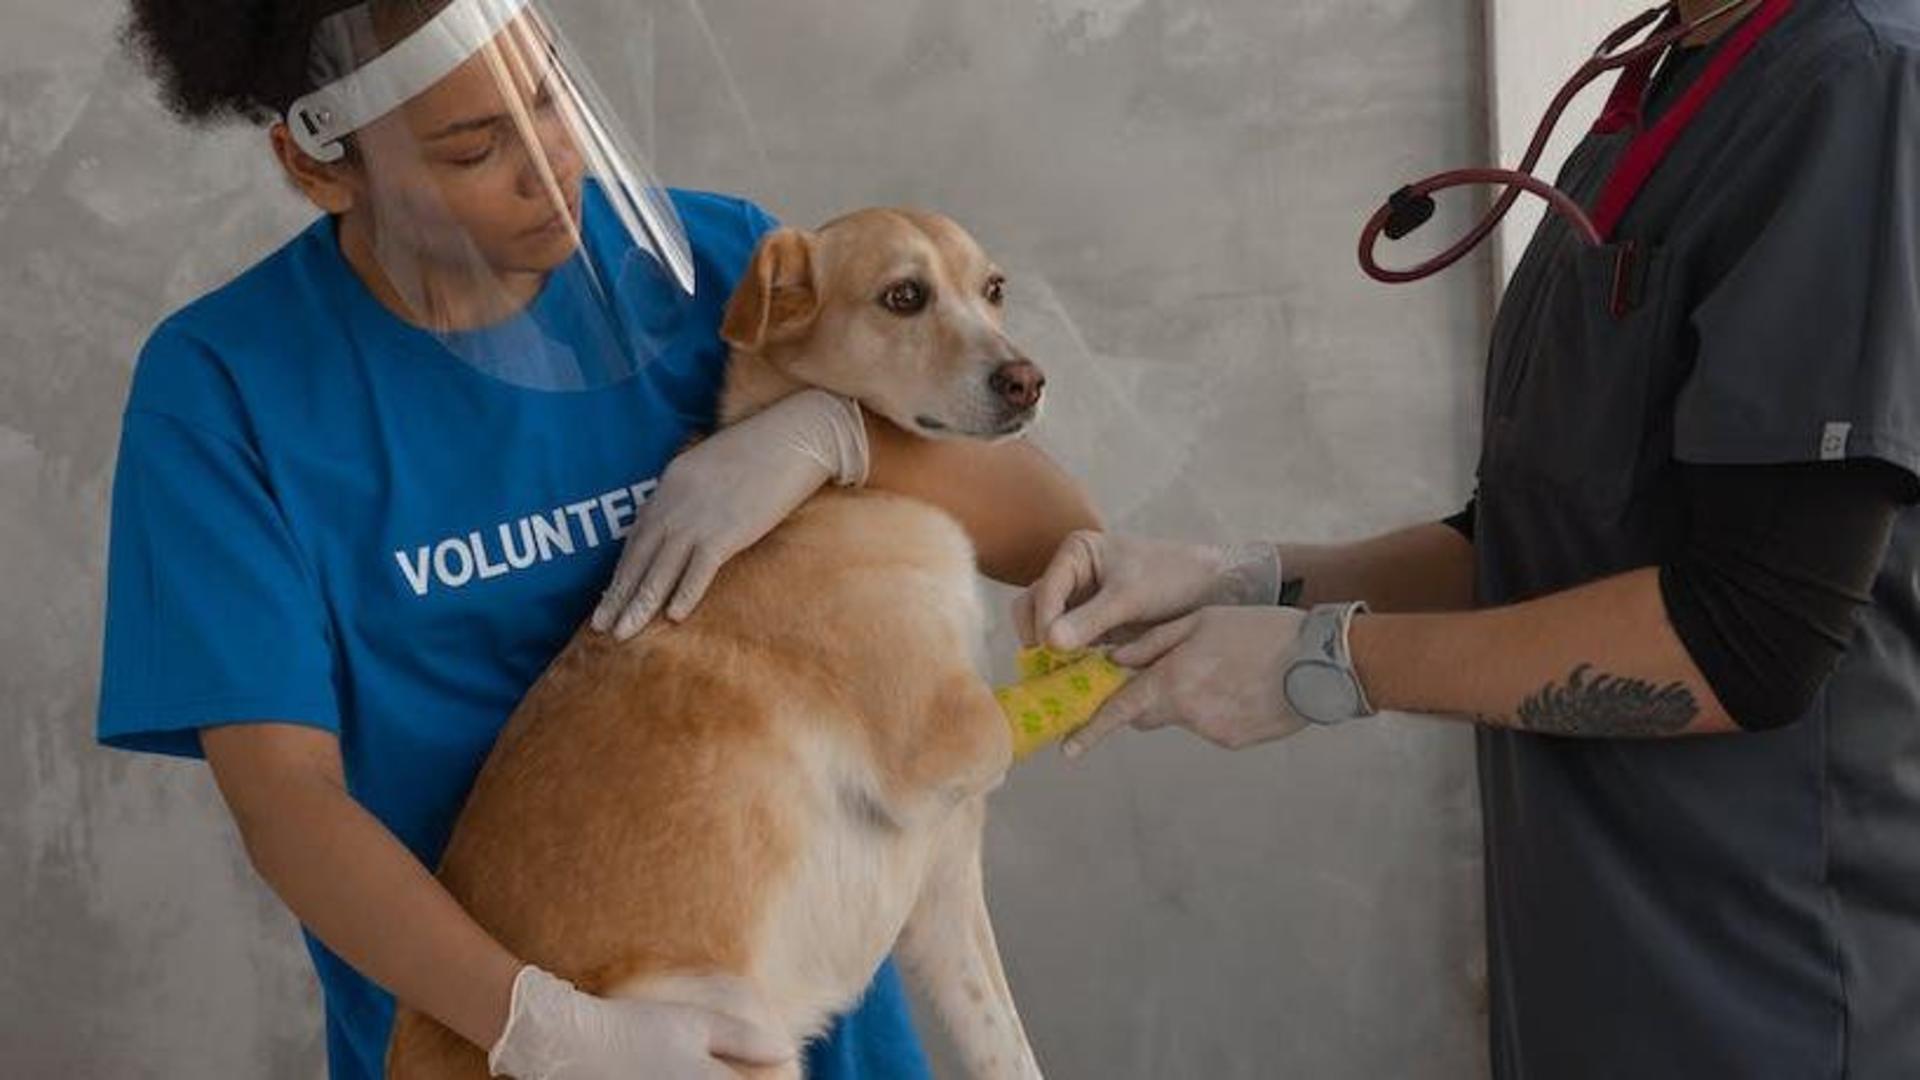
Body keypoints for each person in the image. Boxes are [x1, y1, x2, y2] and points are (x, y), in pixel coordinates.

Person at [98, 1, 1098, 1078]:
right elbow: (287, 803)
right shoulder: (227, 389)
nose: (549, 164)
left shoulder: (709, 268)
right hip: (495, 1033)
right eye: (475, 147)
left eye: (549, 97)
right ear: (321, 169)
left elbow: (1053, 536)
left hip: (795, 1020)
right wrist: (548, 1028)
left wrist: (833, 436)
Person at [1017, 0, 1920, 1076]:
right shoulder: (1667, 76)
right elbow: (1544, 538)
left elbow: (1751, 636)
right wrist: (1245, 580)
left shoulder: (1858, 83)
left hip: (1767, 991)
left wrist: (1328, 666)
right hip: (1589, 979)